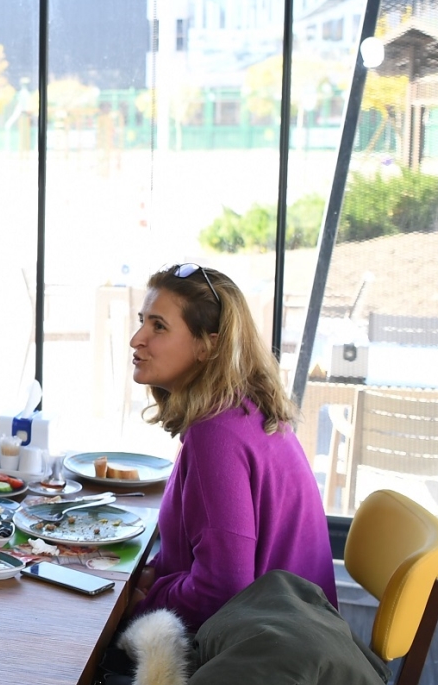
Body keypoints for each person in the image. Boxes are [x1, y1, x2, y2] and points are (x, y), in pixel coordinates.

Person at [126, 262, 336, 630]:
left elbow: (221, 589)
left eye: (158, 326)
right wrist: (157, 577)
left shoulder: (216, 433)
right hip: (287, 636)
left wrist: (140, 605)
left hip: (262, 664)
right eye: (143, 320)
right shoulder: (243, 407)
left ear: (209, 345)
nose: (137, 338)